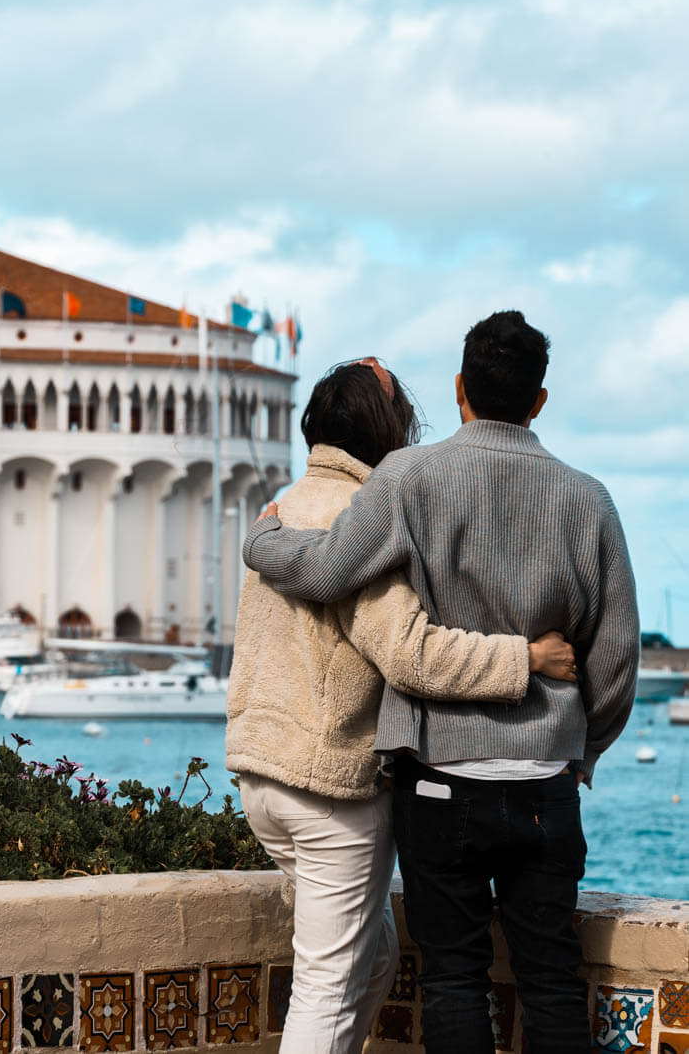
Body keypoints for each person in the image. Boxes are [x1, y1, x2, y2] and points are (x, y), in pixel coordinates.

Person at [242, 314, 640, 1054]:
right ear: (540, 400)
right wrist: (580, 750)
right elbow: (615, 665)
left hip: (438, 784)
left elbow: (327, 570)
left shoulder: (408, 476)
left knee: (453, 981)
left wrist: (260, 539)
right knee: (552, 981)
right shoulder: (590, 500)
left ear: (459, 388)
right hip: (544, 784)